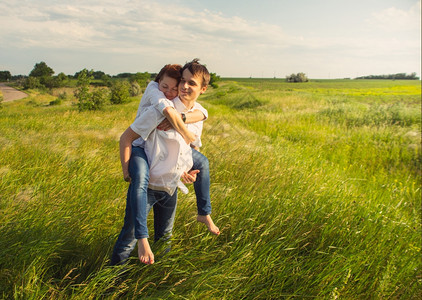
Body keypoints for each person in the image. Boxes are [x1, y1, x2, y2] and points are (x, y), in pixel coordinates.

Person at [110, 60, 218, 266]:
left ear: (203, 89)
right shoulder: (157, 111)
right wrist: (126, 171)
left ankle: (158, 279)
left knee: (165, 239)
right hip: (148, 186)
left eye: (191, 83)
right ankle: (111, 286)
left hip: (170, 188)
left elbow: (190, 149)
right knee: (128, 240)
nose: (184, 87)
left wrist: (187, 170)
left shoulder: (197, 115)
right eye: (182, 82)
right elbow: (127, 137)